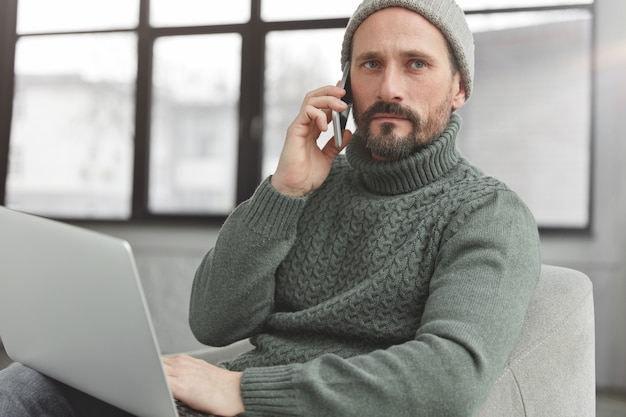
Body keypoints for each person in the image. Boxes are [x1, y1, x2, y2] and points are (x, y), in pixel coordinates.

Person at [0, 0, 541, 416]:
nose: (389, 87)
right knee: (26, 384)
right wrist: (284, 191)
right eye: (370, 64)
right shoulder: (312, 184)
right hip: (218, 403)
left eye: (416, 64)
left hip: (279, 405)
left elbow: (450, 377)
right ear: (345, 84)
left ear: (459, 88)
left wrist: (242, 389)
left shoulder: (487, 213)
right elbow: (213, 321)